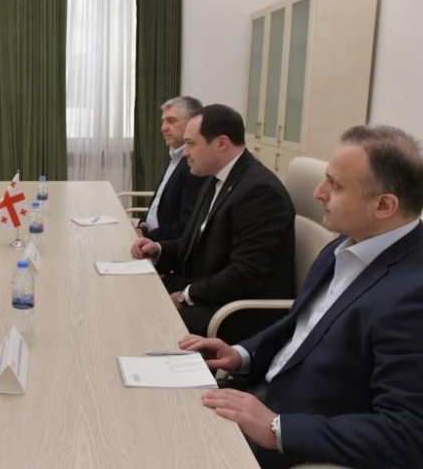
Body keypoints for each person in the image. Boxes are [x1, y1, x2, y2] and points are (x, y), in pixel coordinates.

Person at [179, 124, 423, 468]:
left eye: (335, 185)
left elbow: (406, 433)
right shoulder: (344, 245)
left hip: (296, 432)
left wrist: (278, 429)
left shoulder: (413, 295)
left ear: (384, 205)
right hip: (259, 390)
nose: (319, 193)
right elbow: (301, 325)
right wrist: (241, 354)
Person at [131, 104, 295, 336]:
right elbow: (198, 243)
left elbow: (244, 274)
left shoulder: (260, 192)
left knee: (145, 322)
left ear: (221, 144)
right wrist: (158, 249)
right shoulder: (215, 178)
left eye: (191, 144)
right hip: (209, 290)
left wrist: (186, 295)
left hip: (237, 311)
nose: (185, 152)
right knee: (132, 293)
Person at [135, 96, 206, 241]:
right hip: (148, 235)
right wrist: (141, 227)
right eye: (163, 121)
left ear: (193, 123)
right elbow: (157, 205)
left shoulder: (195, 164)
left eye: (171, 121)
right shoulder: (175, 155)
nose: (163, 128)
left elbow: (185, 226)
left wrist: (148, 238)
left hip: (163, 246)